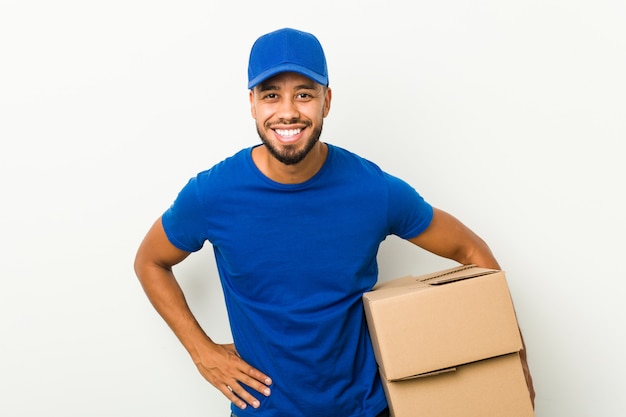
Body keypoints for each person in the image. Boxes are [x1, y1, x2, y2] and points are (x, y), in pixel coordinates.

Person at [134, 27, 534, 417]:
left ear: (326, 101)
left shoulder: (373, 190)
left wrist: (511, 357)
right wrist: (201, 352)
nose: (288, 111)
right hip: (263, 410)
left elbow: (470, 250)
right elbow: (150, 261)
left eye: (304, 94)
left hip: (364, 408)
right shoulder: (212, 195)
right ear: (252, 103)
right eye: (272, 95)